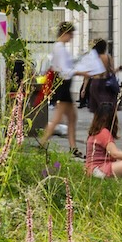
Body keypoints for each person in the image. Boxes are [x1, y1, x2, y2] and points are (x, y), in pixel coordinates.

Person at [37, 21, 83, 156]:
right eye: (71, 34)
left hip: (64, 85)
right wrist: (80, 72)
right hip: (63, 85)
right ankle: (43, 143)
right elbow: (64, 70)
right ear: (65, 34)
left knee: (72, 117)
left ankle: (72, 147)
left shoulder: (60, 47)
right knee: (58, 118)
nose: (72, 37)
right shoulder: (59, 48)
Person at [77, 39, 121, 137]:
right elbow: (112, 71)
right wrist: (118, 69)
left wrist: (84, 88)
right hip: (106, 84)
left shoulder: (93, 58)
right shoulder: (108, 57)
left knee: (97, 108)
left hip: (95, 83)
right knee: (107, 107)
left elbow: (88, 75)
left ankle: (95, 129)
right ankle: (107, 128)